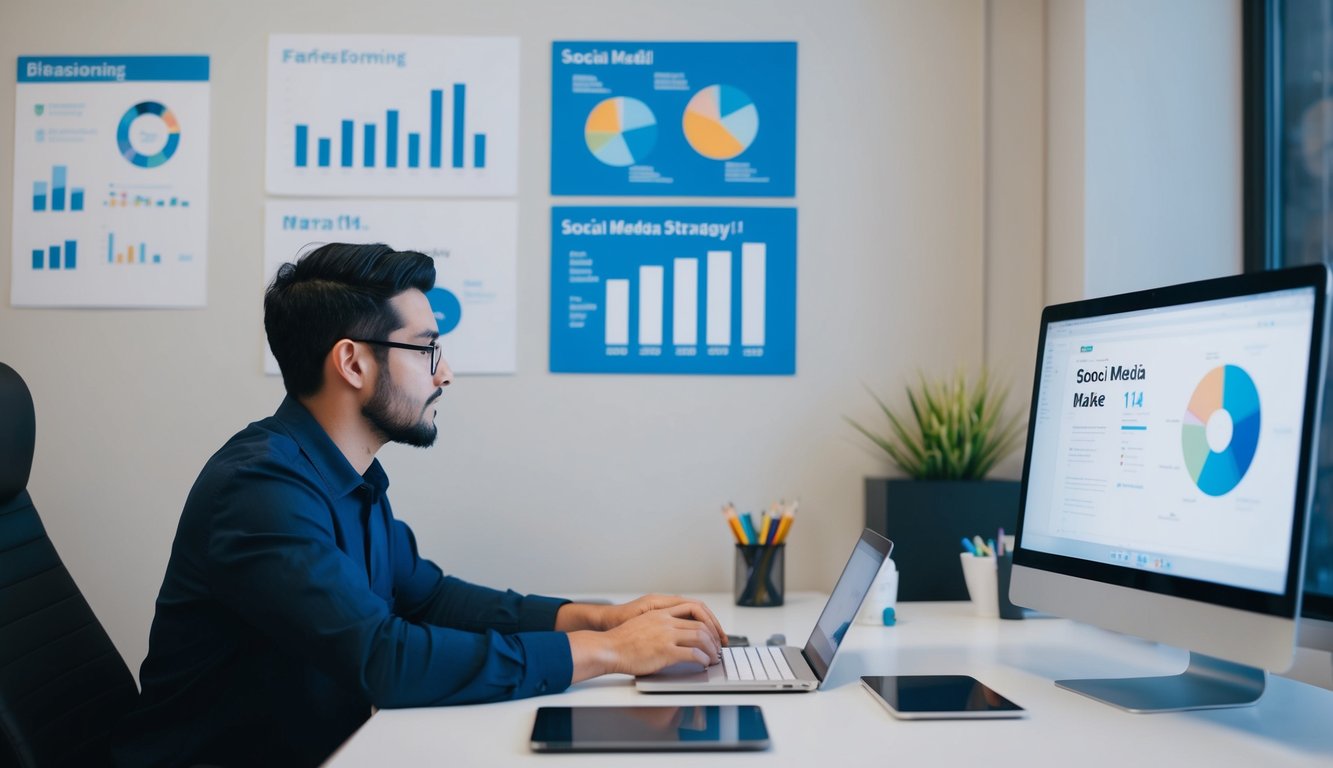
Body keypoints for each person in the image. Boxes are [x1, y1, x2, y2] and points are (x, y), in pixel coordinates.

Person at [112, 243, 726, 767]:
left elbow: (431, 599)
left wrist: (603, 619)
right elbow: (385, 660)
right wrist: (612, 654)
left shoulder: (349, 478)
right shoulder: (259, 491)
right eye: (426, 349)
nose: (445, 374)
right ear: (352, 361)